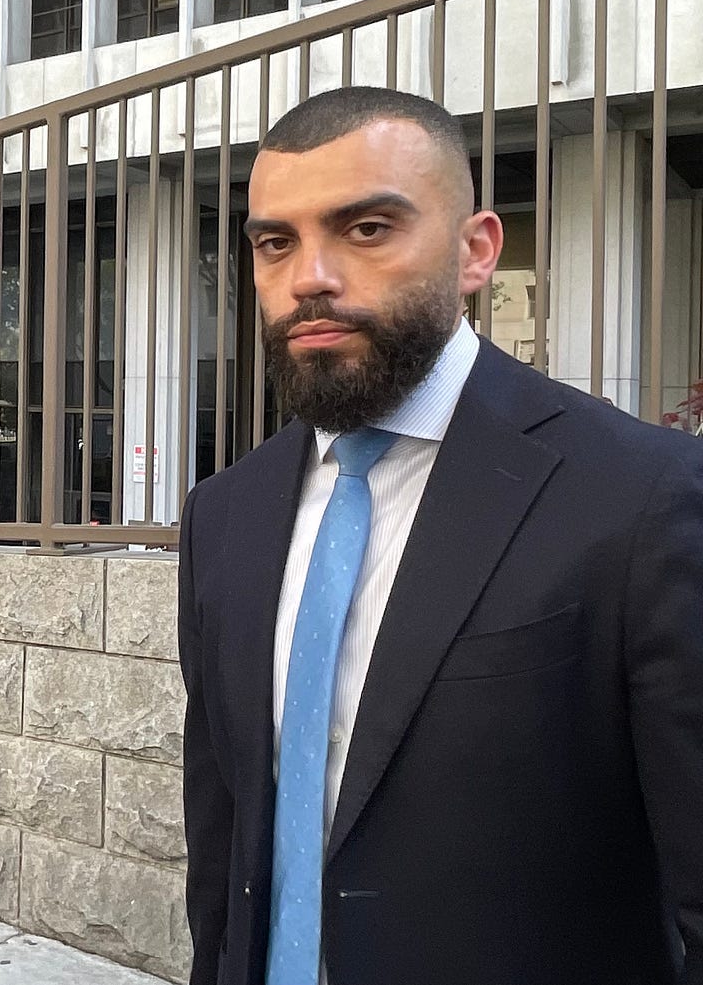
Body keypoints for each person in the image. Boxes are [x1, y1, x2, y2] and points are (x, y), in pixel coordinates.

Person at [178, 87, 703, 985]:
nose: (311, 277)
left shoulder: (641, 495)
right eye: (276, 243)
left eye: (366, 229)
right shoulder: (225, 513)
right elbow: (225, 846)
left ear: (476, 251)